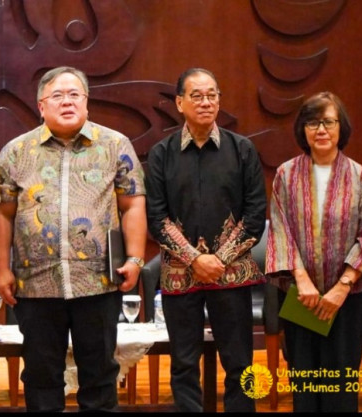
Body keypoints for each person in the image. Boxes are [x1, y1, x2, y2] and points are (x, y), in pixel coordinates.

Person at [0, 66, 147, 412]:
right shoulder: (16, 151)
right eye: (57, 96)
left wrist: (135, 259)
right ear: (41, 105)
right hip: (36, 285)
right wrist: (1, 269)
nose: (66, 102)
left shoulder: (115, 145)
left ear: (87, 103)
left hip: (99, 282)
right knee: (42, 377)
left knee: (100, 375)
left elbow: (132, 203)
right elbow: (2, 213)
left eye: (74, 94)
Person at [145, 68, 266, 412]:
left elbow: (255, 216)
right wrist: (195, 260)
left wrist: (219, 261)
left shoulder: (242, 149)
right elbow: (157, 217)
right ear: (180, 103)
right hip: (180, 276)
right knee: (184, 363)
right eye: (197, 95)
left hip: (232, 274)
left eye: (212, 95)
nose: (206, 102)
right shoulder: (161, 154)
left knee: (240, 361)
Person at [265, 92, 362, 412]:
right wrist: (302, 281)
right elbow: (280, 229)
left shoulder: (361, 177)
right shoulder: (286, 175)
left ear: (341, 128)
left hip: (347, 298)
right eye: (313, 122)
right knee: (305, 383)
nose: (321, 129)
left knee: (340, 384)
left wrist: (341, 288)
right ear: (303, 129)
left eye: (329, 121)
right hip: (302, 296)